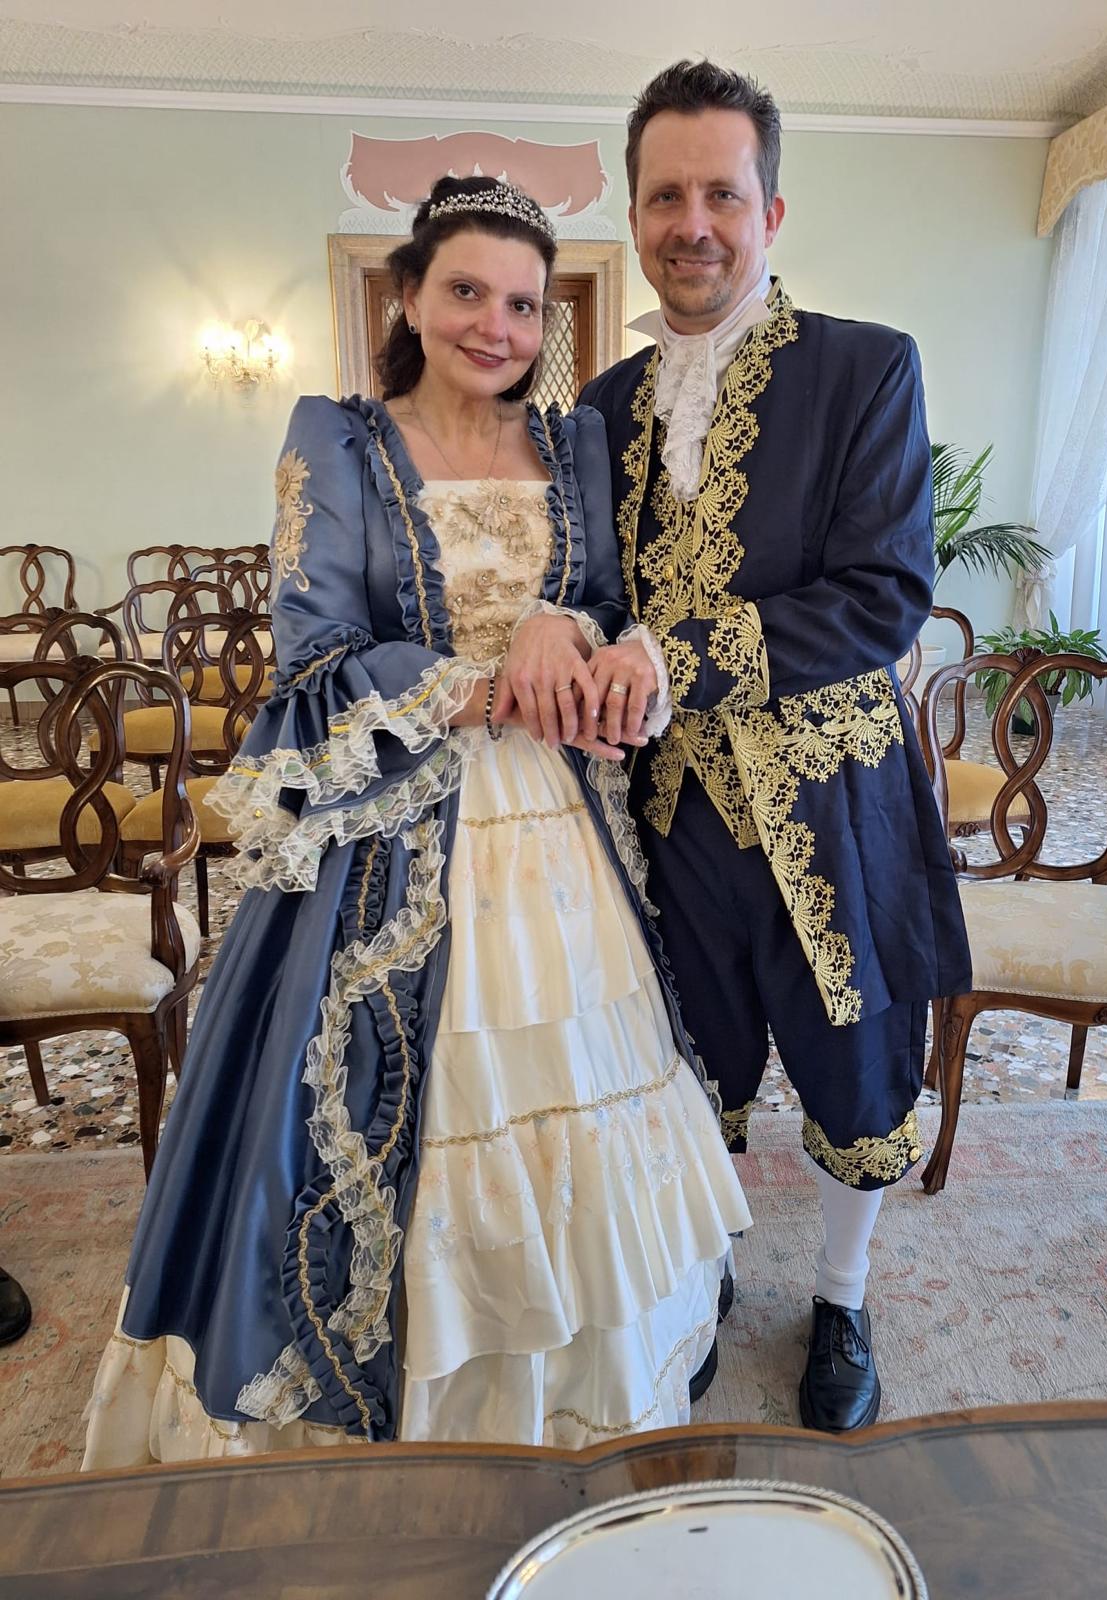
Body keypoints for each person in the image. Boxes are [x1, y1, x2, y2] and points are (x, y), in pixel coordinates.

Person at [81, 175, 749, 1467]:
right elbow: (315, 651)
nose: (495, 327)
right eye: (465, 293)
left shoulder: (572, 447)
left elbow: (603, 603)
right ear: (408, 295)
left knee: (584, 1078)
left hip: (558, 818)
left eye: (521, 304)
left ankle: (579, 1385)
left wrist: (583, 640)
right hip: (395, 813)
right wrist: (495, 680)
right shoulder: (339, 439)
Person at [579, 61, 972, 1433]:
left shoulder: (868, 366)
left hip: (834, 799)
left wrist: (675, 660)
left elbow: (883, 595)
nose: (695, 223)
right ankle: (702, 1269)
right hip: (672, 809)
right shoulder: (606, 401)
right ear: (634, 216)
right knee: (693, 1054)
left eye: (721, 195)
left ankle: (847, 1296)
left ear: (773, 208)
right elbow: (593, 594)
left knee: (856, 1056)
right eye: (666, 196)